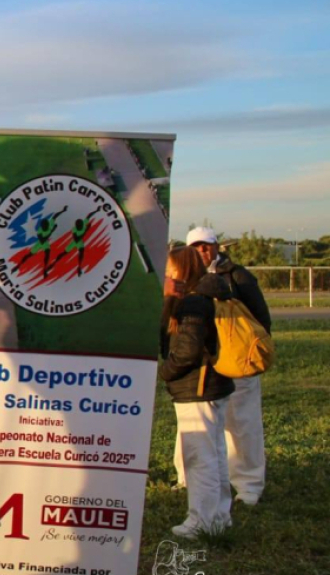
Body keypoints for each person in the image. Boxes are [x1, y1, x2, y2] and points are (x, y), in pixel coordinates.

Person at [183, 226, 269, 506]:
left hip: (235, 361)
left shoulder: (238, 276)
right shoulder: (184, 276)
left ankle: (248, 485)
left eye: (206, 245)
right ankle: (187, 477)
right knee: (196, 423)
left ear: (217, 246)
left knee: (243, 423)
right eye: (196, 246)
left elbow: (261, 319)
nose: (202, 250)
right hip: (201, 364)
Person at [160, 246, 234, 539]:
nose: (167, 274)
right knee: (215, 453)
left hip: (197, 386)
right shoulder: (208, 295)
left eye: (170, 268)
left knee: (199, 456)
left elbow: (188, 349)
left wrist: (165, 372)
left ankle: (201, 520)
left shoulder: (193, 303)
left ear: (182, 269)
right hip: (212, 385)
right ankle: (219, 516)